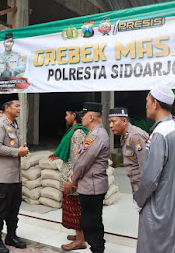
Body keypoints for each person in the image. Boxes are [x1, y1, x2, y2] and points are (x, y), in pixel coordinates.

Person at [133, 85, 175, 253]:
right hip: (174, 202)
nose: (146, 105)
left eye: (147, 101)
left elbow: (151, 178)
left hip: (161, 206)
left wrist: (138, 200)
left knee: (158, 245)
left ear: (155, 104)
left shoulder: (160, 133)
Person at [0, 100, 29, 253]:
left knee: (13, 209)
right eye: (16, 106)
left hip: (14, 177)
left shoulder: (13, 124)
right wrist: (17, 152)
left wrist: (21, 148)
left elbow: (11, 144)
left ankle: (11, 236)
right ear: (6, 108)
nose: (19, 108)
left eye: (20, 106)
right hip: (2, 177)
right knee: (0, 210)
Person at [69, 102, 109, 253]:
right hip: (90, 185)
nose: (81, 118)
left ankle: (98, 249)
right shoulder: (94, 134)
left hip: (92, 187)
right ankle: (97, 248)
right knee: (91, 222)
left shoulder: (96, 135)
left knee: (91, 223)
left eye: (83, 115)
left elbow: (83, 162)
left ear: (91, 117)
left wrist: (73, 179)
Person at [48, 106, 89, 251]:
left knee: (75, 208)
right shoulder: (74, 131)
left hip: (73, 177)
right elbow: (69, 149)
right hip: (70, 174)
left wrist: (72, 180)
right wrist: (57, 154)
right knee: (73, 207)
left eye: (67, 115)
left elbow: (78, 158)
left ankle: (80, 241)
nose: (65, 118)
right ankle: (80, 235)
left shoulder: (78, 133)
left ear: (74, 115)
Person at [108, 107, 148, 192]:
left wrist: (144, 191)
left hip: (142, 185)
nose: (110, 125)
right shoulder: (124, 136)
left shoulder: (135, 136)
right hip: (135, 183)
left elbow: (145, 166)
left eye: (114, 121)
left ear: (124, 121)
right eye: (109, 122)